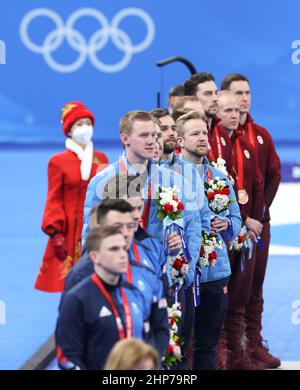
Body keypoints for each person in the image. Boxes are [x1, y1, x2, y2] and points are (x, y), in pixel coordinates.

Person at [82, 110, 202, 289]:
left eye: (154, 135)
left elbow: (192, 227)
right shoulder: (102, 181)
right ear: (125, 139)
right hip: (120, 280)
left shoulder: (174, 180)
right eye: (144, 135)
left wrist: (186, 270)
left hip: (166, 278)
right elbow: (90, 236)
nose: (152, 140)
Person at [221, 74, 281, 369]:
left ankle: (252, 344)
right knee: (227, 288)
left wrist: (259, 214)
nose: (242, 100)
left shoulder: (260, 135)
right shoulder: (221, 137)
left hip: (258, 225)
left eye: (246, 93)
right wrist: (243, 218)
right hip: (234, 224)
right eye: (236, 94)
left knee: (253, 286)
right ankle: (229, 350)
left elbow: (271, 177)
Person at [175, 110, 241, 370]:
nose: (203, 137)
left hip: (216, 274)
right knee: (177, 349)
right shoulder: (170, 178)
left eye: (204, 132)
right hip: (183, 275)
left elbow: (236, 220)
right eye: (195, 134)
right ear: (180, 141)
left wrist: (227, 225)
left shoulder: (220, 178)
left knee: (208, 345)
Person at [65, 199, 169, 358]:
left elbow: (160, 328)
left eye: (129, 226)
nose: (126, 233)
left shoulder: (147, 268)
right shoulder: (80, 275)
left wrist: (147, 364)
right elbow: (69, 349)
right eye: (118, 227)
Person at [35, 101, 109, 292]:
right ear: (69, 130)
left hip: (95, 228)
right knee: (71, 285)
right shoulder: (58, 162)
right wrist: (55, 232)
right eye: (79, 124)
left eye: (88, 123)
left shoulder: (101, 159)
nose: (85, 128)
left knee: (97, 283)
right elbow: (54, 198)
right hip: (68, 232)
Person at [56, 226, 148, 370]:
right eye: (114, 249)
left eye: (124, 248)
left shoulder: (137, 293)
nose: (123, 255)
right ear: (94, 256)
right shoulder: (76, 299)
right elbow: (66, 357)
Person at [217, 91, 264, 370]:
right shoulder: (214, 144)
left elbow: (257, 184)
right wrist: (242, 220)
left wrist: (253, 219)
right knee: (221, 292)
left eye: (237, 110)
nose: (235, 114)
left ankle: (237, 353)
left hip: (246, 228)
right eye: (228, 110)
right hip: (227, 229)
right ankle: (221, 354)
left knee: (240, 294)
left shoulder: (245, 143)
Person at [184, 72, 234, 180]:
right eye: (208, 94)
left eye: (216, 93)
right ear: (192, 99)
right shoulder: (182, 132)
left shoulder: (222, 133)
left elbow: (231, 173)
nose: (215, 98)